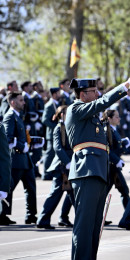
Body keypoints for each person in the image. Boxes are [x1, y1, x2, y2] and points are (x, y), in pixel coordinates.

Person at [65, 70, 130, 260]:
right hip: (85, 171)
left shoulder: (90, 115)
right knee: (84, 224)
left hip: (98, 170)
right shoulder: (76, 109)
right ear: (82, 95)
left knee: (94, 225)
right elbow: (102, 104)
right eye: (94, 91)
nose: (98, 94)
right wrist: (125, 85)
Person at [2, 92, 39, 224]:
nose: (24, 102)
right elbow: (7, 138)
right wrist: (20, 146)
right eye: (21, 100)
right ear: (13, 102)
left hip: (25, 159)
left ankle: (31, 215)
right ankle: (2, 214)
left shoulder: (18, 116)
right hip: (16, 159)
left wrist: (32, 142)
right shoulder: (10, 117)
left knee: (31, 187)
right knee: (9, 188)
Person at [36, 105, 75, 229]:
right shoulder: (59, 128)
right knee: (55, 195)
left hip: (69, 166)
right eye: (67, 112)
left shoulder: (69, 127)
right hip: (61, 167)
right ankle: (42, 220)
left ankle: (64, 218)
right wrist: (67, 162)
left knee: (73, 193)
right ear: (62, 115)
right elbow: (58, 148)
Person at [42, 87, 62, 178]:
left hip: (57, 133)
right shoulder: (49, 105)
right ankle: (46, 173)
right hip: (51, 134)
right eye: (58, 93)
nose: (60, 94)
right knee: (49, 154)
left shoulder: (58, 103)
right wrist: (56, 128)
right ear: (54, 94)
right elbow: (45, 120)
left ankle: (51, 171)